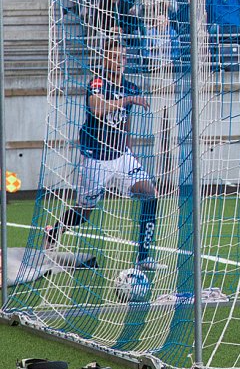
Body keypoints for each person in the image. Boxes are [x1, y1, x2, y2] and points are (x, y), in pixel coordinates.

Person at [43, 40, 164, 274]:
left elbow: (125, 124)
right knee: (84, 212)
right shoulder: (97, 83)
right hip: (97, 160)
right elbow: (97, 108)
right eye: (114, 56)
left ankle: (143, 257)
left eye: (123, 57)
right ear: (105, 60)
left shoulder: (131, 86)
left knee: (150, 196)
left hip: (122, 157)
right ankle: (55, 231)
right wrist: (126, 101)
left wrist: (130, 153)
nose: (120, 61)